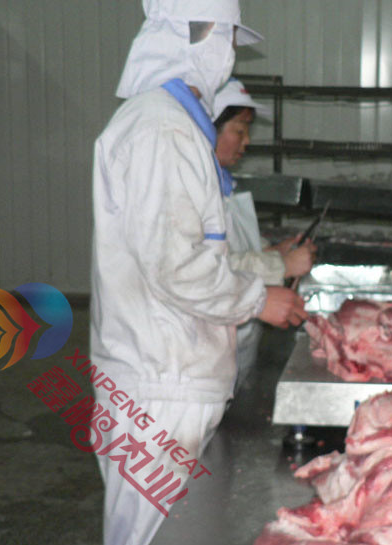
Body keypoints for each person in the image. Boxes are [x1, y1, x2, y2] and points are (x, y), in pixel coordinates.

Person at [89, 1, 307, 544]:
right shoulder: (161, 129)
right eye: (226, 39)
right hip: (159, 384)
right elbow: (177, 265)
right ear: (199, 36)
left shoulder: (173, 124)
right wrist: (259, 299)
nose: (228, 53)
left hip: (169, 377)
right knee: (151, 536)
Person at [211, 78, 317, 390]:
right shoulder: (193, 192)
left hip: (238, 345)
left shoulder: (223, 183)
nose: (246, 142)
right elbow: (209, 268)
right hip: (209, 350)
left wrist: (275, 251)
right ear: (207, 130)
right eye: (239, 131)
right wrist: (282, 266)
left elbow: (235, 246)